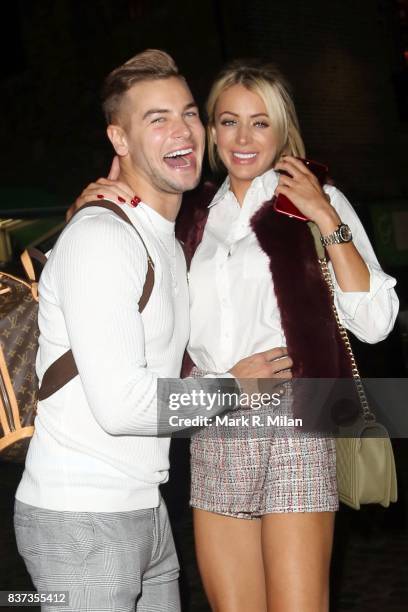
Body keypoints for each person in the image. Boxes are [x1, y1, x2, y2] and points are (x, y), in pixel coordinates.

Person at [74, 59, 399, 612]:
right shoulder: (190, 210)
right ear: (211, 131)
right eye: (228, 121)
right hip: (214, 420)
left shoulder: (315, 201)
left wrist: (327, 218)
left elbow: (376, 322)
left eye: (260, 122)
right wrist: (93, 207)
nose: (244, 138)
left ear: (283, 128)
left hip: (296, 421)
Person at [14, 50, 287, 612]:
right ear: (120, 140)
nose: (181, 130)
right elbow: (122, 406)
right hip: (82, 522)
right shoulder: (103, 238)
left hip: (144, 509)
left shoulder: (168, 233)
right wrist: (234, 389)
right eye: (155, 119)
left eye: (187, 113)